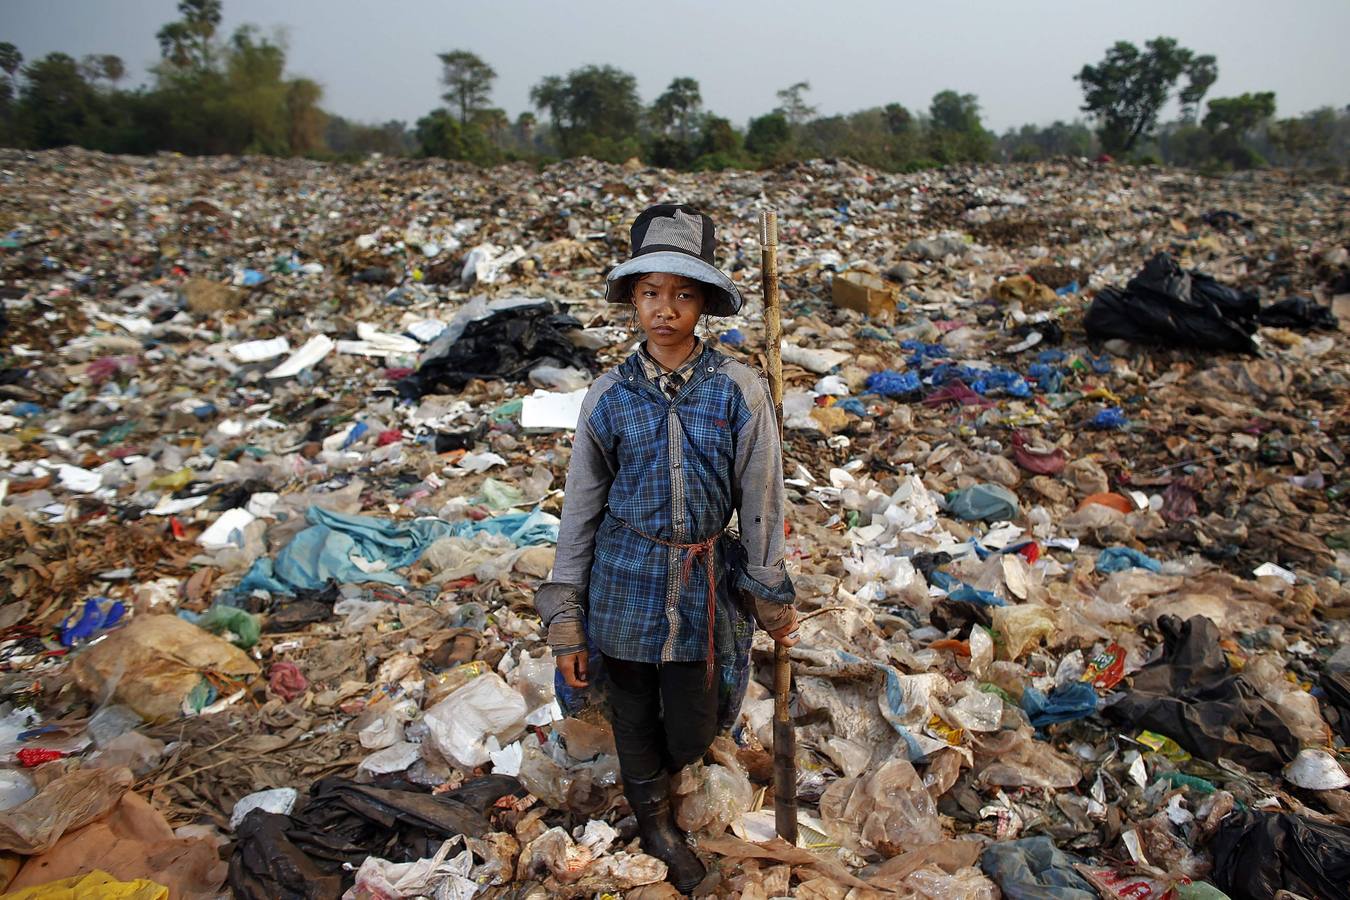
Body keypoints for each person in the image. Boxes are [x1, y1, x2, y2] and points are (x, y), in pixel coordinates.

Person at [534, 204, 798, 893]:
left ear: (703, 303)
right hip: (623, 576)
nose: (665, 309)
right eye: (650, 292)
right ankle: (655, 822)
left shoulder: (738, 389)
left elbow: (763, 499)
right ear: (632, 300)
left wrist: (769, 590)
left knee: (694, 718)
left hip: (704, 578)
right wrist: (567, 613)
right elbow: (581, 508)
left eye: (682, 294)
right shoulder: (608, 397)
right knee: (630, 705)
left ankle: (671, 770)